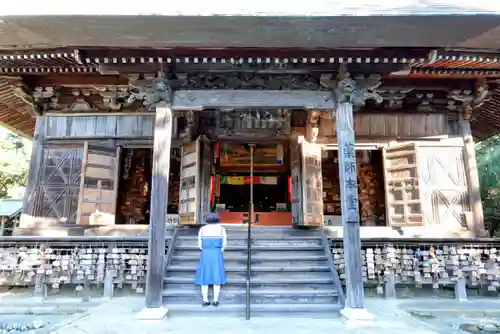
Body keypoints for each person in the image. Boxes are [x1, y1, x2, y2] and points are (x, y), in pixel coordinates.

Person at [195, 212, 227, 307]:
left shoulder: (202, 229)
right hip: (217, 253)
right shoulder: (222, 229)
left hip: (206, 253)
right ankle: (216, 300)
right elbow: (224, 243)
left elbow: (199, 244)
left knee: (204, 276)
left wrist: (205, 249)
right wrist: (219, 250)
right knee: (217, 276)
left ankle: (205, 300)